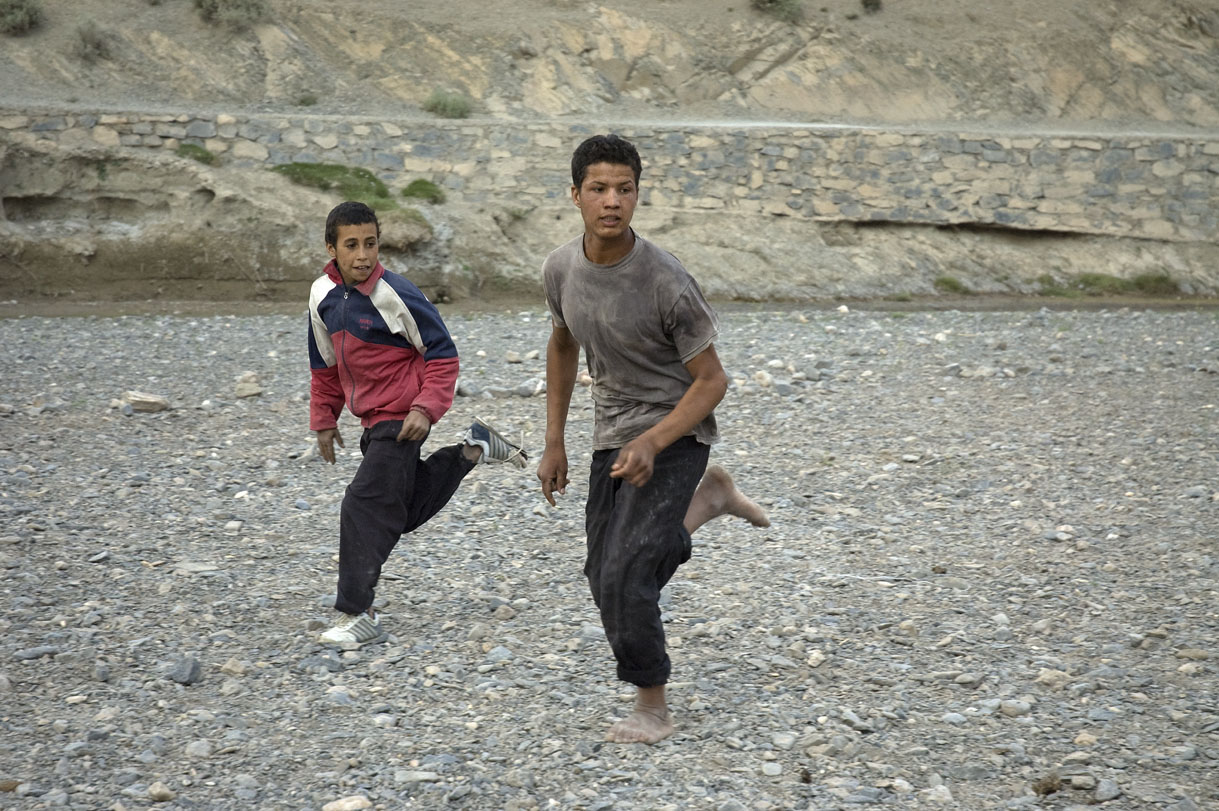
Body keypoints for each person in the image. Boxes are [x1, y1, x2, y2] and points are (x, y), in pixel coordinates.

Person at [536, 135, 770, 744]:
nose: (612, 202)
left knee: (627, 571)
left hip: (675, 428)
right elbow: (563, 346)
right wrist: (554, 440)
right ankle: (709, 502)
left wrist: (655, 442)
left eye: (624, 189)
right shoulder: (561, 269)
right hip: (611, 431)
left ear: (638, 194)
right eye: (598, 190)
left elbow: (712, 380)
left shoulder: (666, 280)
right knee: (601, 572)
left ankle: (652, 706)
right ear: (576, 195)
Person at [308, 201, 527, 645]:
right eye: (351, 245)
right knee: (400, 512)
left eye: (370, 243)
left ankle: (358, 613)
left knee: (362, 507)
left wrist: (425, 409)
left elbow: (443, 356)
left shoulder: (396, 293)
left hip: (401, 420)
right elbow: (324, 366)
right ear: (331, 248)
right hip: (372, 423)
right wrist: (324, 420)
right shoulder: (320, 297)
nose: (363, 255)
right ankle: (475, 447)